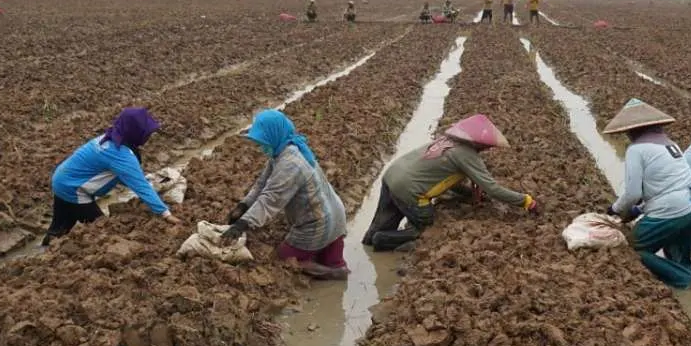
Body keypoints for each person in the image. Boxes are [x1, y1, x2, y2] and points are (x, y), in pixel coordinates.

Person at [362, 115, 539, 251]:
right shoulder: (466, 154)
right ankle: (382, 239)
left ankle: (370, 243)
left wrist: (468, 194)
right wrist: (525, 201)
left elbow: (447, 181)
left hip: (392, 176)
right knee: (427, 230)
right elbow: (492, 188)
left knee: (381, 223)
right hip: (410, 190)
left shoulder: (446, 141)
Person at [222, 110, 348, 280]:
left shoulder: (290, 164)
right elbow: (261, 184)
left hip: (316, 223)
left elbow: (270, 199)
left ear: (274, 134)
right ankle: (335, 265)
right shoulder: (287, 149)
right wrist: (243, 206)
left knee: (283, 259)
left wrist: (242, 225)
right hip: (335, 217)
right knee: (329, 257)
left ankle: (332, 272)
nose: (260, 146)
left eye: (262, 141)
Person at [602, 99, 691, 289]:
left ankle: (685, 281)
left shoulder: (636, 150)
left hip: (672, 209)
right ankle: (689, 279)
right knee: (679, 252)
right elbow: (665, 183)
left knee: (632, 249)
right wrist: (639, 209)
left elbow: (633, 193)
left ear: (632, 130)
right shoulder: (669, 144)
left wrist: (615, 210)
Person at [45, 108, 180, 244]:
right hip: (74, 189)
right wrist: (166, 214)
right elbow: (141, 186)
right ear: (135, 131)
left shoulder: (109, 137)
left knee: (59, 227)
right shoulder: (122, 155)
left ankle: (44, 253)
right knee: (101, 230)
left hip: (61, 179)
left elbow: (126, 177)